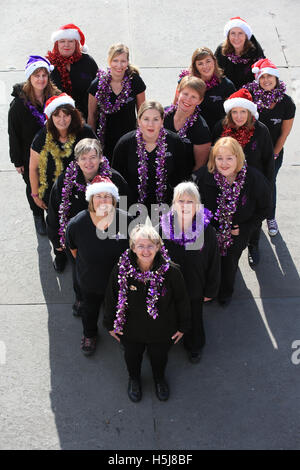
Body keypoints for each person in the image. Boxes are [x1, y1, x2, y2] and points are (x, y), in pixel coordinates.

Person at [103, 223, 191, 402]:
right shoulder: (121, 269)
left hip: (161, 329)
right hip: (130, 329)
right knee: (132, 357)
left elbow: (182, 300)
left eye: (150, 245)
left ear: (158, 247)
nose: (145, 250)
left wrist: (183, 326)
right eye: (140, 245)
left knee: (160, 357)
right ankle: (134, 379)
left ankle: (159, 379)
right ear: (133, 247)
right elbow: (111, 297)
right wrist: (109, 324)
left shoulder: (171, 271)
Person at [193, 137, 271, 306]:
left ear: (238, 158)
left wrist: (244, 228)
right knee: (208, 262)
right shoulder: (204, 177)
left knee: (229, 264)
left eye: (229, 158)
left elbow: (265, 208)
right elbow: (193, 206)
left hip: (237, 234)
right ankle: (208, 291)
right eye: (219, 158)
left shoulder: (253, 179)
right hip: (209, 232)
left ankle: (225, 293)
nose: (224, 163)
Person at [66, 176, 133, 356]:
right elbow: (73, 250)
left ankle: (121, 332)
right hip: (91, 282)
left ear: (114, 199)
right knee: (90, 310)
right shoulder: (77, 224)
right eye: (98, 196)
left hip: (119, 282)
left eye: (107, 196)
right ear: (91, 200)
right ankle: (90, 334)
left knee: (122, 310)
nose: (103, 200)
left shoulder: (126, 220)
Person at [29, 93, 96, 270]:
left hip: (82, 190)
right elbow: (33, 167)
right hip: (53, 192)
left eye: (66, 114)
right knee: (56, 224)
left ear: (72, 115)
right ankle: (59, 254)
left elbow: (97, 158)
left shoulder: (85, 132)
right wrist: (35, 194)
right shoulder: (42, 137)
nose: (62, 119)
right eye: (57, 115)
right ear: (50, 117)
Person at [47, 137, 129, 282]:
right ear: (76, 161)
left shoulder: (115, 180)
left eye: (93, 157)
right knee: (81, 274)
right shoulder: (64, 182)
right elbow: (54, 211)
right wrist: (56, 241)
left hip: (107, 235)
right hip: (77, 237)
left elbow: (125, 209)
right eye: (83, 158)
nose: (88, 163)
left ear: (101, 158)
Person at [212, 88, 274, 268]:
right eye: (235, 112)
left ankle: (253, 245)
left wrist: (267, 187)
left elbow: (268, 162)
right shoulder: (220, 128)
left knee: (251, 222)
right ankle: (229, 250)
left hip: (253, 185)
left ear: (249, 113)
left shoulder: (261, 131)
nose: (239, 116)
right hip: (226, 182)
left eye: (243, 112)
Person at [159, 182, 220, 363]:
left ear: (198, 205)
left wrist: (210, 291)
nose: (185, 206)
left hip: (195, 287)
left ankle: (194, 345)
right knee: (168, 315)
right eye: (180, 201)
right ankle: (166, 340)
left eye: (190, 202)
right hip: (169, 289)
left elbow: (214, 263)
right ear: (173, 204)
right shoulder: (161, 229)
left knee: (194, 317)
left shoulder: (207, 231)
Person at [8, 55, 60, 235]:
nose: (41, 79)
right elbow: (13, 134)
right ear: (30, 78)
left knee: (53, 184)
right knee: (33, 186)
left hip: (54, 153)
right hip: (28, 154)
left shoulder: (55, 98)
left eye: (44, 75)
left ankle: (56, 215)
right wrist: (17, 161)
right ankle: (38, 216)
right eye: (36, 75)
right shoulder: (18, 106)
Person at [243, 58, 296, 236]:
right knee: (247, 182)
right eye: (263, 77)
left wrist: (274, 154)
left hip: (273, 152)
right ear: (257, 79)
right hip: (249, 151)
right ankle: (249, 215)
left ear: (276, 79)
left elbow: (284, 133)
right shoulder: (249, 95)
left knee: (269, 184)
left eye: (270, 77)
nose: (266, 80)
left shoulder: (287, 103)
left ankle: (270, 216)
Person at [112, 101, 188, 215]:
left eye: (156, 119)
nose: (150, 124)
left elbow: (182, 176)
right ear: (139, 121)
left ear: (162, 121)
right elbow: (117, 178)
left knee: (164, 233)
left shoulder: (175, 142)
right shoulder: (125, 143)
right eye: (146, 119)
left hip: (166, 205)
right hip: (130, 205)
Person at [88, 43, 146, 161]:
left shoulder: (135, 81)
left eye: (123, 61)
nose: (119, 65)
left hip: (129, 138)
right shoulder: (97, 84)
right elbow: (92, 115)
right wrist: (92, 143)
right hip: (105, 140)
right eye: (115, 60)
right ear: (109, 61)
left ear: (127, 62)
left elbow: (142, 112)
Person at [173, 47, 236, 132]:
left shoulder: (226, 85)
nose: (205, 66)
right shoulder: (186, 82)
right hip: (188, 129)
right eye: (200, 63)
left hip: (216, 131)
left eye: (208, 61)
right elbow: (175, 106)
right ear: (195, 66)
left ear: (214, 61)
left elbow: (233, 113)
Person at [47, 23, 98, 119]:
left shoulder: (87, 61)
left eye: (70, 41)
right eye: (62, 41)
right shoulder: (49, 65)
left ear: (76, 43)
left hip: (87, 117)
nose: (66, 45)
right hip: (58, 120)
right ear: (57, 43)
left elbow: (99, 86)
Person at [164, 76, 211, 173]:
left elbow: (199, 166)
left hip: (184, 181)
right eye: (185, 94)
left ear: (200, 100)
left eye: (193, 97)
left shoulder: (201, 129)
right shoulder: (163, 115)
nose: (188, 99)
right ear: (178, 93)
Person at [215, 16, 265, 90]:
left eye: (240, 33)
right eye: (233, 33)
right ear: (228, 36)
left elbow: (263, 74)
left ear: (246, 36)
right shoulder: (221, 50)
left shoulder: (255, 52)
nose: (236, 37)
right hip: (226, 90)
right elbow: (215, 71)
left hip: (250, 91)